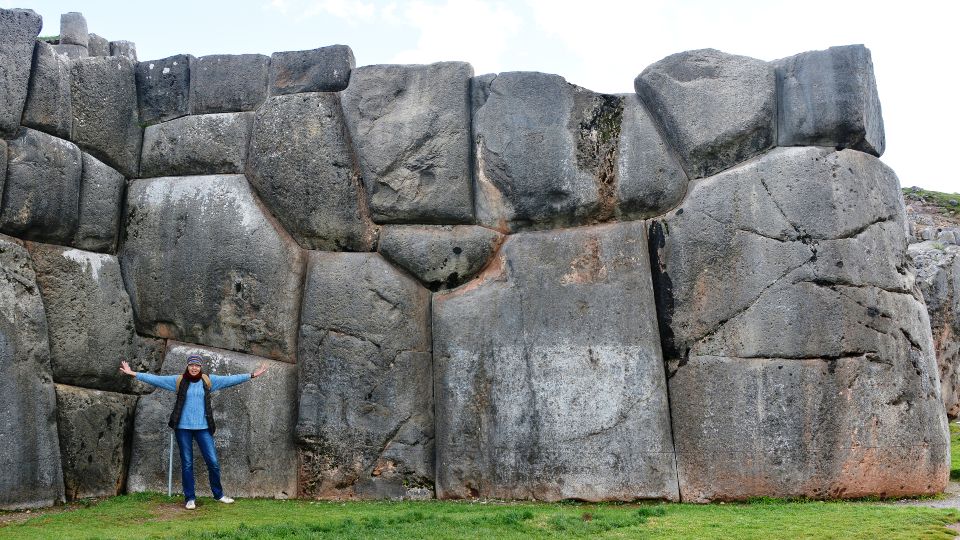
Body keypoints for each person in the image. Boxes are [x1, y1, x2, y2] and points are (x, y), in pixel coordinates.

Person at [120, 354, 268, 509]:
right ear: (187, 366)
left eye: (197, 365)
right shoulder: (179, 380)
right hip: (183, 429)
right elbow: (157, 379)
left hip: (203, 429)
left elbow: (230, 380)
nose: (194, 367)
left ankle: (218, 495)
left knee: (213, 463)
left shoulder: (208, 380)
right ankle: (190, 498)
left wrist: (252, 375)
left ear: (200, 366)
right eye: (191, 365)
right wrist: (133, 373)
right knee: (187, 463)